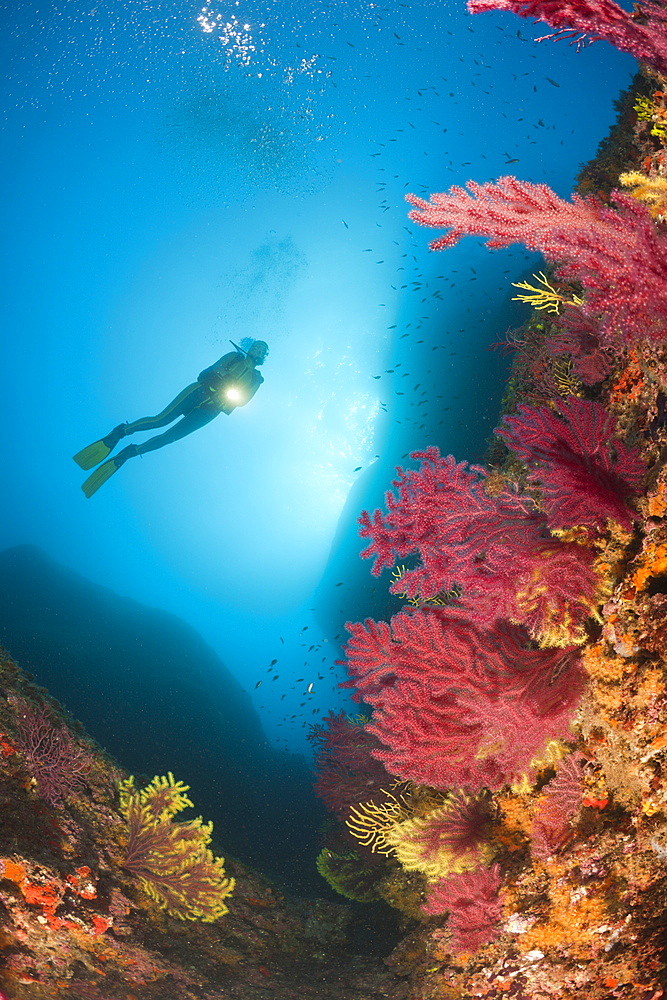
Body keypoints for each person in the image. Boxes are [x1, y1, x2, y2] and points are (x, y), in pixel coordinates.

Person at [73, 339, 269, 498]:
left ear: (264, 357)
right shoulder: (234, 357)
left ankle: (131, 452)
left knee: (169, 438)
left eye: (263, 350)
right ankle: (121, 432)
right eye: (256, 346)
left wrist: (231, 393)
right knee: (160, 420)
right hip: (199, 391)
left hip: (211, 410)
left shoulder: (256, 378)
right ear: (250, 347)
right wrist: (223, 377)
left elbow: (243, 400)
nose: (258, 350)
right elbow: (213, 369)